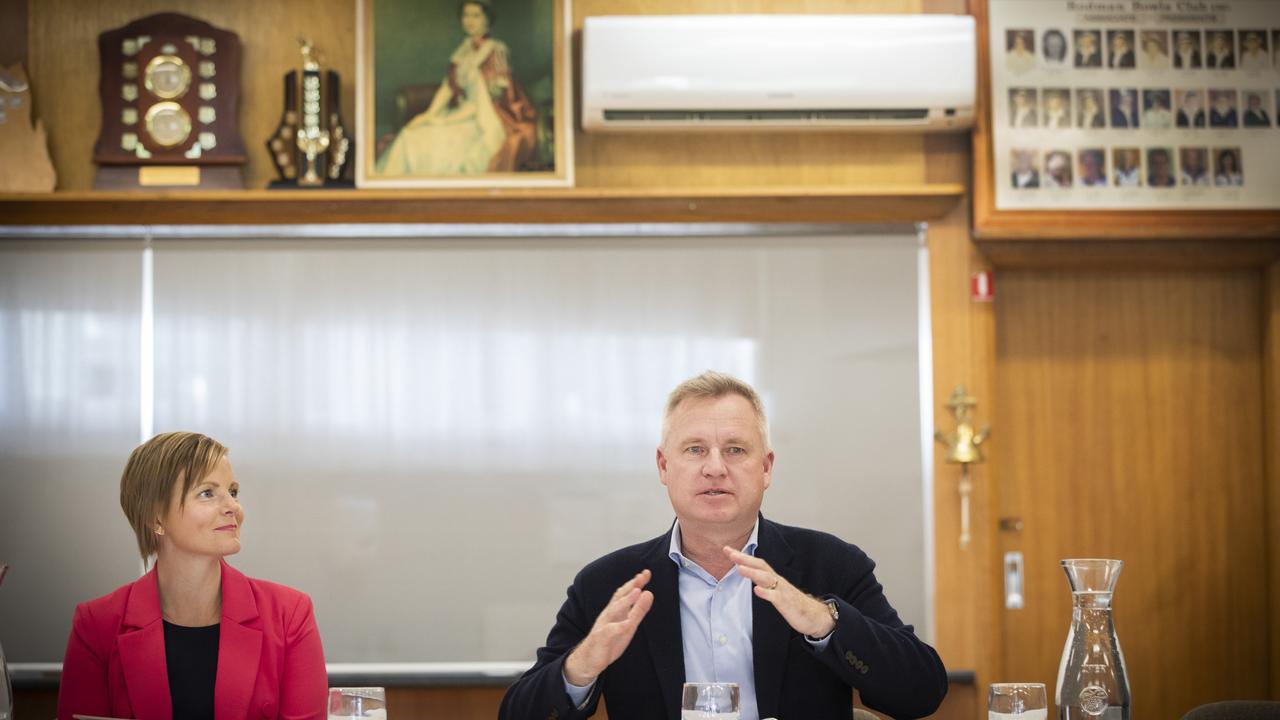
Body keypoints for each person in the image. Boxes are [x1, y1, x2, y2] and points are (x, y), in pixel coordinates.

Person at [499, 372, 948, 720]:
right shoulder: (608, 584)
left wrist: (823, 621)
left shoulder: (831, 565)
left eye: (735, 450)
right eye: (695, 449)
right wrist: (582, 666)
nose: (715, 468)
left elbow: (922, 692)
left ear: (766, 468)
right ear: (663, 465)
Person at [57, 432, 327, 720]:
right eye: (207, 493)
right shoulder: (96, 625)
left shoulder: (289, 615)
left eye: (232, 492)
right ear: (156, 517)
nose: (233, 507)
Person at [377, 1, 538, 176]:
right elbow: (447, 89)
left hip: (487, 120)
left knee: (442, 144)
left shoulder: (495, 51)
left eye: (476, 16)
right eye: (466, 15)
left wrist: (443, 121)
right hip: (462, 113)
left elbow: (487, 103)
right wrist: (429, 115)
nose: (469, 21)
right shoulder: (462, 51)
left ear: (487, 20)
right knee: (411, 134)